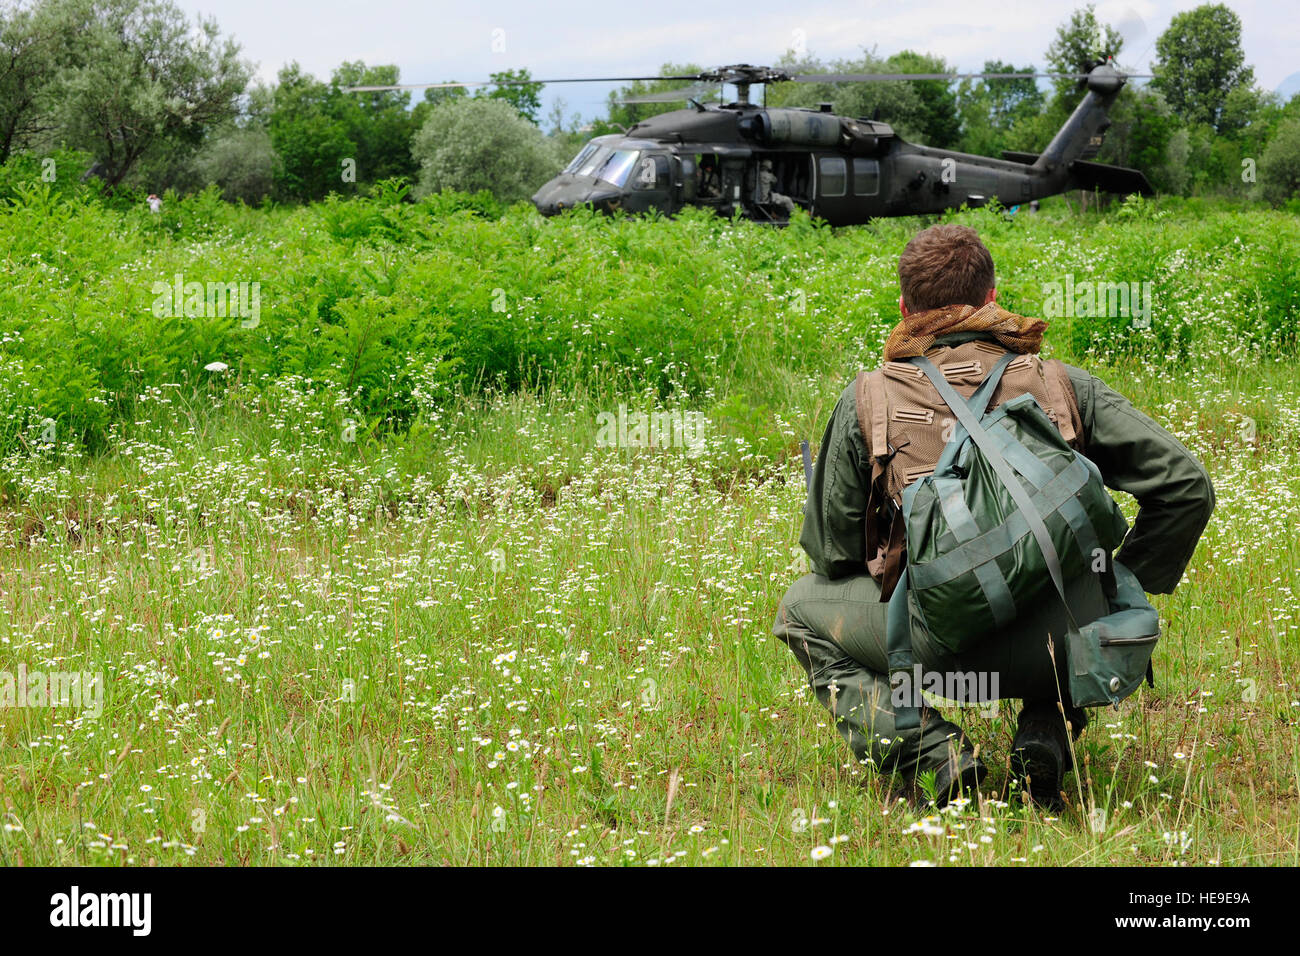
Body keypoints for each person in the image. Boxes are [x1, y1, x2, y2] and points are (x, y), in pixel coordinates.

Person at [772, 224, 1214, 809]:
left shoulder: (869, 399)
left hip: (940, 648)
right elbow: (1188, 486)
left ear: (904, 307)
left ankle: (935, 755)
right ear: (990, 296)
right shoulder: (1059, 384)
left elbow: (830, 553)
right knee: (1062, 570)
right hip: (1072, 639)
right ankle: (1045, 730)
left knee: (799, 611)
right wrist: (1120, 580)